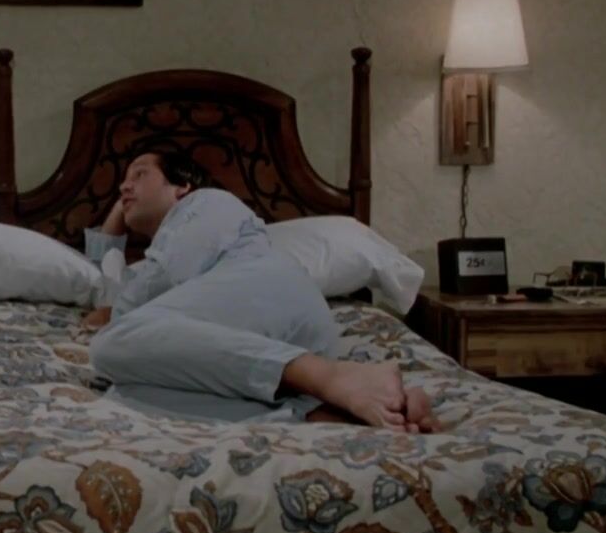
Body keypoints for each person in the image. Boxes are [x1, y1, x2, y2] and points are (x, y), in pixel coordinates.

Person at [83, 149, 438, 433]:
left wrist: (116, 315)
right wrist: (118, 215)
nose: (124, 187)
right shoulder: (156, 262)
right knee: (124, 391)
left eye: (140, 174)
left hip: (271, 298)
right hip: (252, 341)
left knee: (110, 346)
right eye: (123, 182)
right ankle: (322, 412)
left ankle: (329, 376)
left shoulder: (206, 204)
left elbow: (145, 297)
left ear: (183, 187)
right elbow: (107, 290)